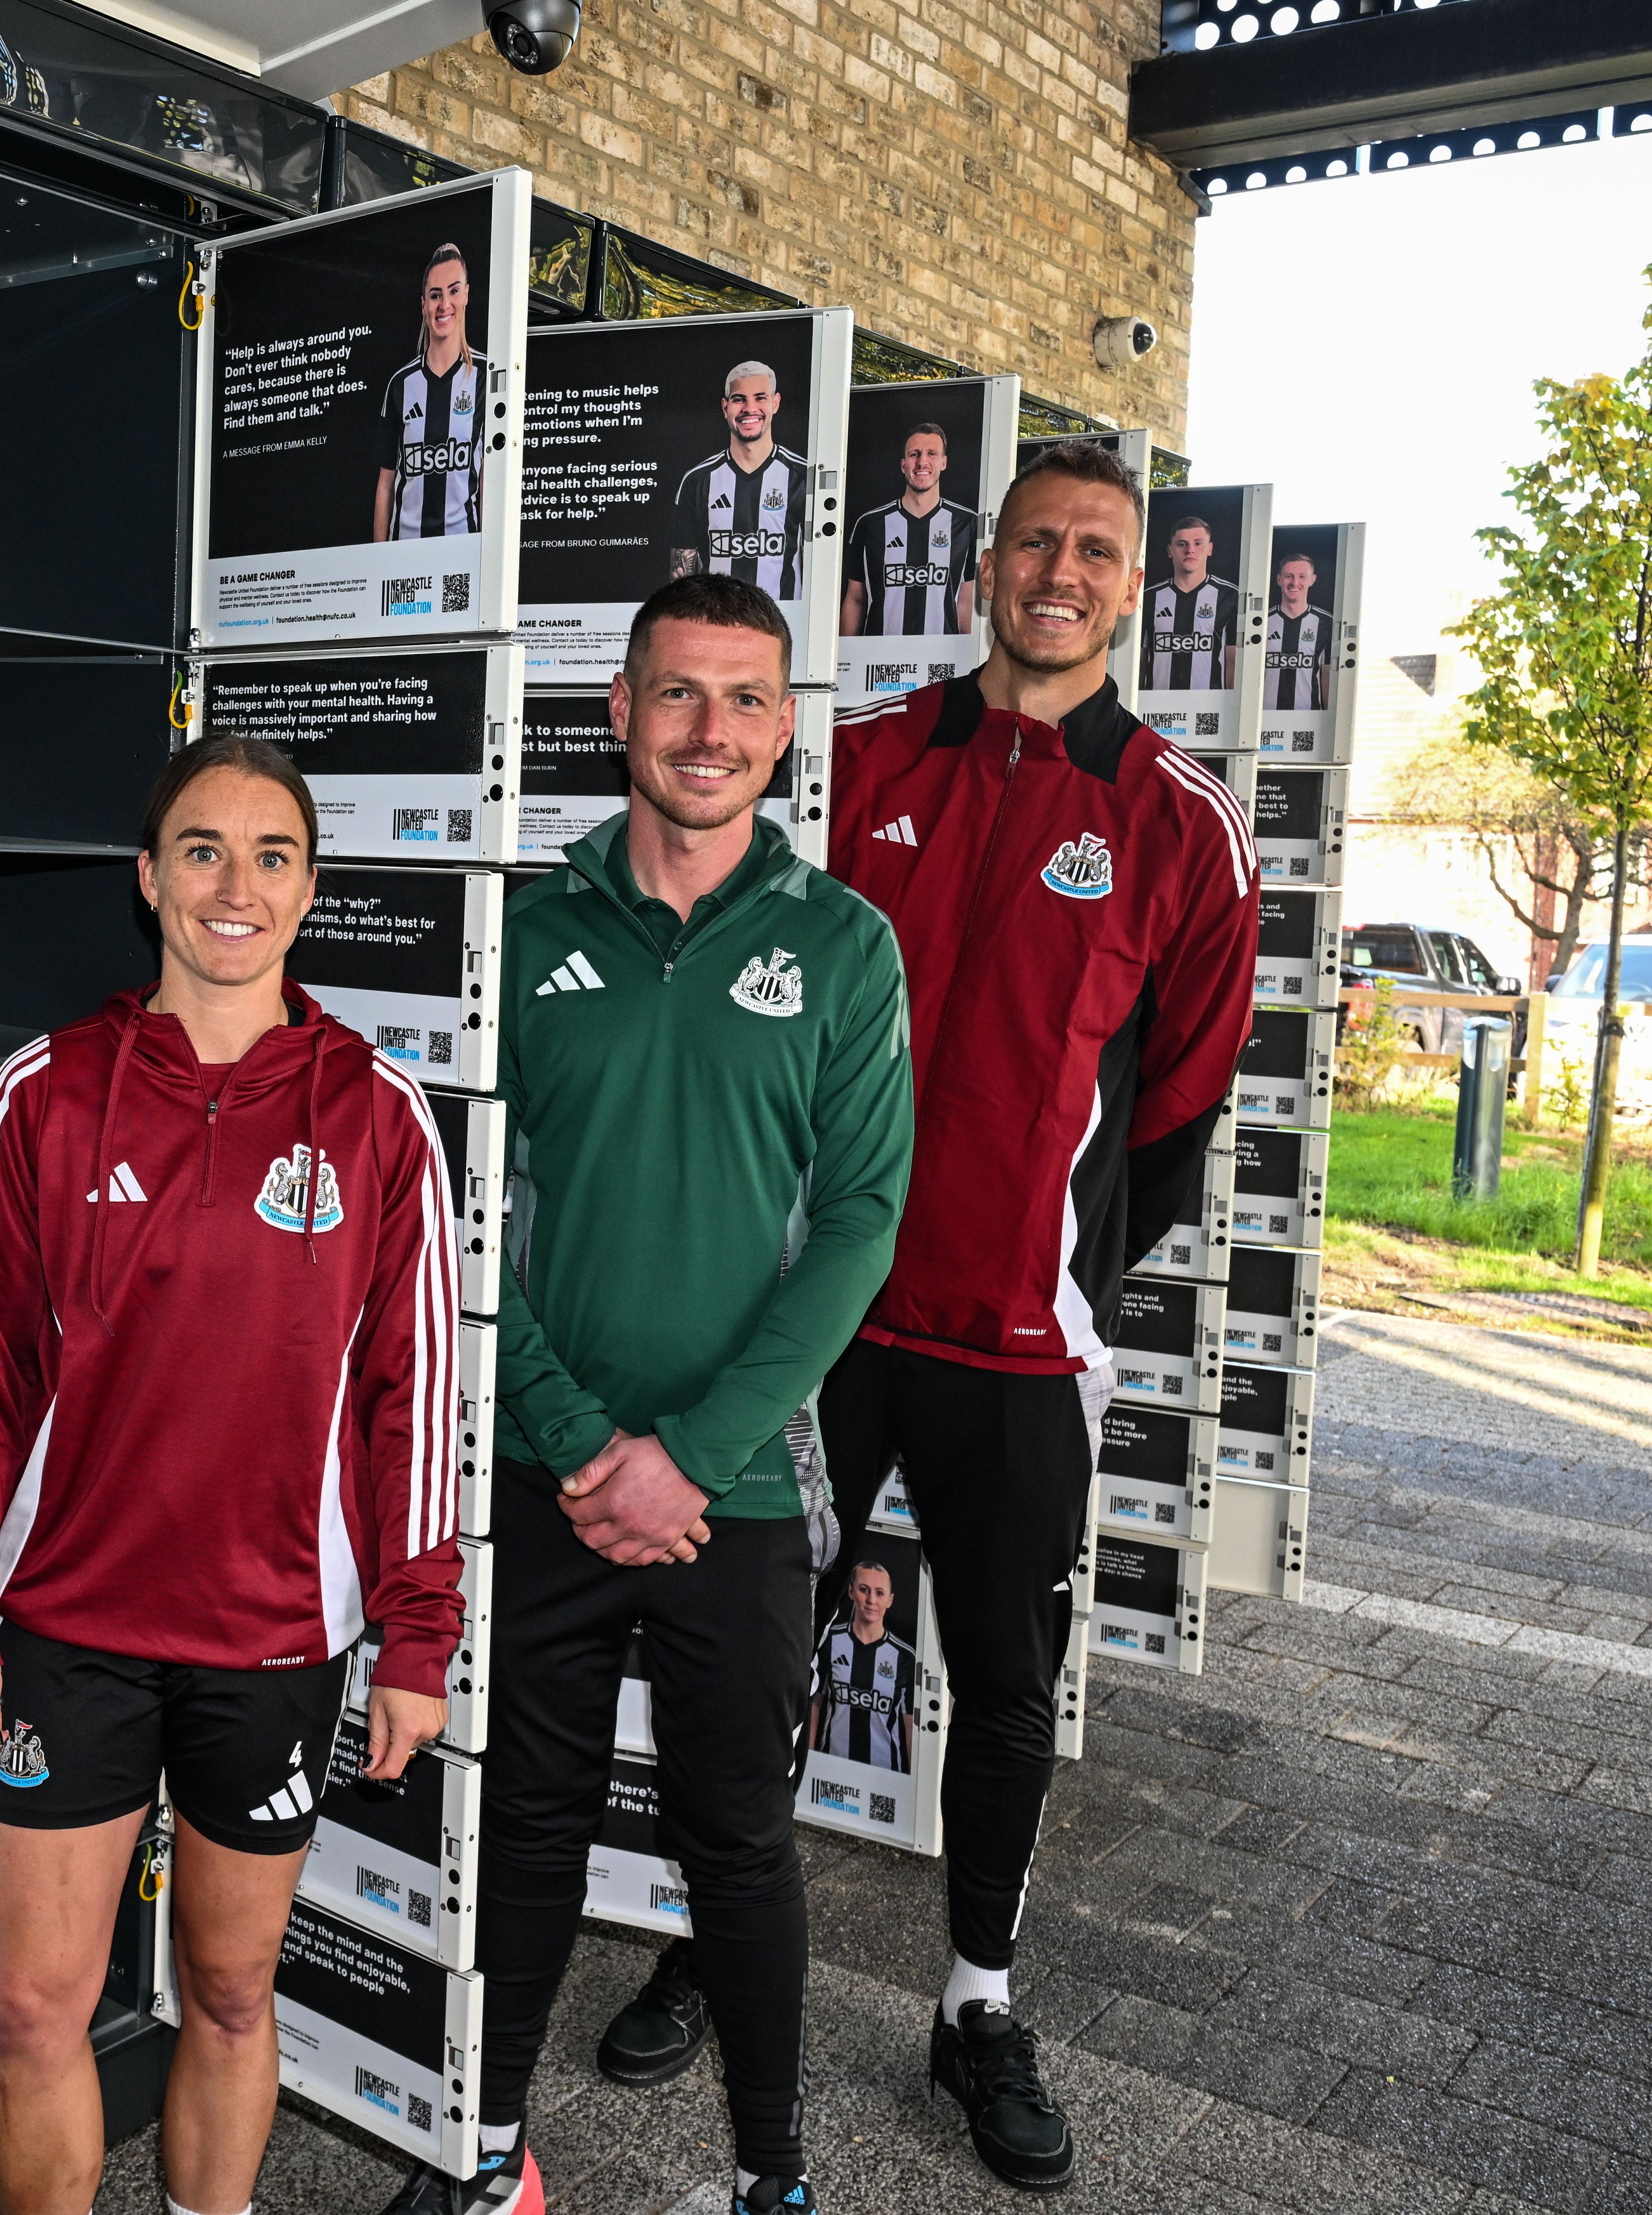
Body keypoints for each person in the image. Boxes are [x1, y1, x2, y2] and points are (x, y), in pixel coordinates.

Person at [603, 441, 1255, 2189]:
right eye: (1032, 539)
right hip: (811, 1328)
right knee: (751, 1651)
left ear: (1134, 589)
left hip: (1020, 1347)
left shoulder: (1179, 822)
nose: (1059, 569)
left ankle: (976, 2001)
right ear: (979, 566)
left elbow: (1181, 1111)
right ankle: (708, 1940)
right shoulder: (872, 763)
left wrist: (1070, 1277)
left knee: (1011, 1686)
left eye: (1095, 550)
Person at [386, 574, 912, 2215]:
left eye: (744, 700)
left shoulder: (842, 945)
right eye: (677, 695)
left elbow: (858, 1225)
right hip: (550, 1480)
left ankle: (771, 2175)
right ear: (616, 713)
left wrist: (684, 1454)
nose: (709, 732)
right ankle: (485, 2155)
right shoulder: (524, 933)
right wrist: (578, 1440)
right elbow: (470, 1218)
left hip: (740, 1490)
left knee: (738, 1841)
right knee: (526, 1827)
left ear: (784, 730)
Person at [0, 733, 463, 2215]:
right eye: (204, 851)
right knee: (36, 2005)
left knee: (227, 1994)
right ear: (149, 881)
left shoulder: (378, 1116)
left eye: (273, 854)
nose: (238, 884)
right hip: (70, 1629)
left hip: (273, 1635)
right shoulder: (46, 1094)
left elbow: (415, 1399)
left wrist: (419, 1630)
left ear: (308, 891)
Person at [375, 244, 486, 543]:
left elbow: (490, 480)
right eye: (436, 295)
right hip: (406, 556)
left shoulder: (486, 378)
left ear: (466, 295)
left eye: (453, 291)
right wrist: (378, 561)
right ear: (424, 304)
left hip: (463, 553)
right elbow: (386, 484)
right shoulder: (400, 384)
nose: (444, 305)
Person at [670, 362, 808, 604]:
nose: (750, 408)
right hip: (715, 626)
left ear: (775, 403)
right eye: (739, 399)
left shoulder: (804, 477)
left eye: (760, 398)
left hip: (782, 627)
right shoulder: (697, 481)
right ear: (725, 408)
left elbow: (818, 572)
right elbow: (681, 578)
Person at [841, 421, 978, 638]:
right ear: (903, 464)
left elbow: (965, 602)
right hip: (881, 660)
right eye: (915, 454)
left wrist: (971, 663)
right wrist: (844, 663)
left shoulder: (968, 524)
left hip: (941, 660)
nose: (922, 462)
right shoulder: (870, 525)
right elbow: (856, 599)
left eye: (932, 454)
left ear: (944, 462)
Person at [809, 1559, 919, 1776]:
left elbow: (910, 1728)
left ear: (890, 1600)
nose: (871, 1600)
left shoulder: (904, 1657)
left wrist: (915, 1781)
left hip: (886, 1777)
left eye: (879, 1593)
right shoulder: (830, 1641)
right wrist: (809, 1759)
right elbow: (814, 1707)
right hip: (833, 1770)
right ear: (851, 1592)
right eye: (864, 1590)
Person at [1141, 512, 1240, 695]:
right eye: (1182, 544)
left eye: (1198, 544)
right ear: (1170, 551)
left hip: (1209, 707)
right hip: (1157, 707)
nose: (1190, 550)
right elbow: (1140, 659)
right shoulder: (1149, 598)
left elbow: (1232, 661)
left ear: (1210, 549)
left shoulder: (1230, 596)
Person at [1264, 552, 1335, 713]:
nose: (1295, 583)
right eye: (1289, 576)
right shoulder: (1261, 623)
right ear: (1279, 580)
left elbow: (1328, 678)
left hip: (1308, 720)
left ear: (1312, 580)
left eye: (1302, 577)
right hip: (1267, 719)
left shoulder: (1326, 624)